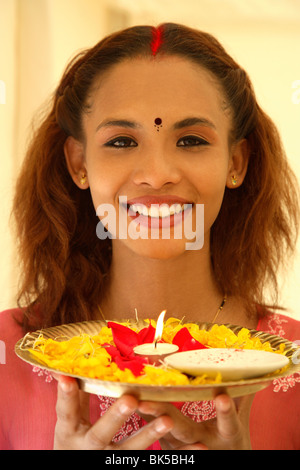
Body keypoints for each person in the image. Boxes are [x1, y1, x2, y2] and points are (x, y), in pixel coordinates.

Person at [0, 23, 299, 450]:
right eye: (122, 141)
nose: (157, 175)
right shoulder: (6, 354)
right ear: (79, 163)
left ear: (236, 162)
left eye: (191, 140)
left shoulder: (291, 363)